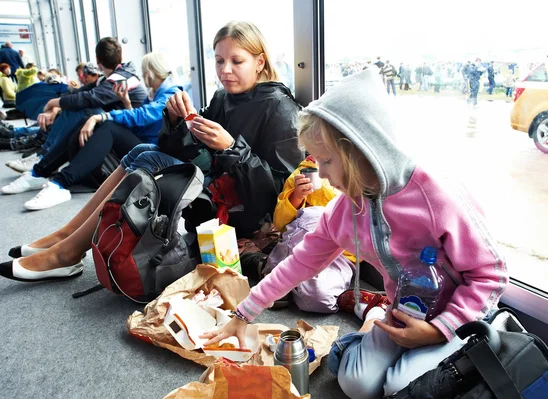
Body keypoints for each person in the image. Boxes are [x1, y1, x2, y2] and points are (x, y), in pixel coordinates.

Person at [201, 69, 508, 399]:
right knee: (356, 385)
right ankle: (374, 321)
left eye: (327, 161)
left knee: (401, 388)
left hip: (459, 317)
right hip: (405, 310)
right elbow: (299, 263)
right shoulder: (344, 210)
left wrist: (439, 330)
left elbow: (490, 274)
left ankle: (494, 330)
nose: (320, 173)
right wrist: (243, 313)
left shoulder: (437, 196)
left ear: (361, 150)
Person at [0, 21, 303, 282]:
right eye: (219, 60)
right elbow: (190, 151)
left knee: (149, 156)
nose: (225, 70)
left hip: (248, 210)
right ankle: (66, 237)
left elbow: (279, 193)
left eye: (237, 61)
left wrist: (231, 148)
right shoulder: (224, 97)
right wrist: (175, 122)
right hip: (221, 188)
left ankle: (67, 251)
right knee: (145, 150)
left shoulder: (279, 107)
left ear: (260, 62)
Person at [1, 53, 181, 211]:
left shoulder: (171, 93)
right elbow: (144, 122)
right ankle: (38, 172)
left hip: (154, 153)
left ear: (150, 72)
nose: (142, 76)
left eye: (144, 72)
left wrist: (101, 117)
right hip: (143, 144)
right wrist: (125, 102)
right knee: (87, 121)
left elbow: (143, 116)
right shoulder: (159, 92)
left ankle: (60, 183)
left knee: (107, 125)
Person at [258, 155, 354, 312]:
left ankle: (273, 273)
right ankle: (281, 279)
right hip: (301, 243)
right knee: (315, 215)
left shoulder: (364, 175)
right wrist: (297, 196)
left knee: (319, 299)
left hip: (340, 256)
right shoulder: (305, 171)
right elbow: (281, 224)